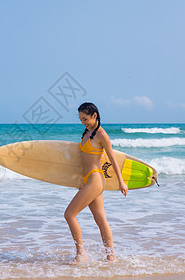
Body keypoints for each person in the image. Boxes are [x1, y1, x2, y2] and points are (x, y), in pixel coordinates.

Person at [64, 102, 128, 264]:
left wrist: (121, 182)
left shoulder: (101, 135)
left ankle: (81, 254)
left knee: (69, 214)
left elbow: (112, 159)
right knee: (100, 220)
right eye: (80, 119)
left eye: (85, 118)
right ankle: (111, 257)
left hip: (95, 179)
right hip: (87, 181)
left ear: (94, 115)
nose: (82, 122)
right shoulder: (88, 132)